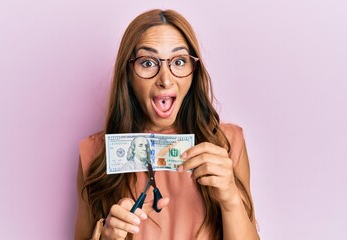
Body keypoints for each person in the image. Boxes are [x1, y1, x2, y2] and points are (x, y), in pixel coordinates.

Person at [75, 9, 260, 240]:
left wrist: (231, 199)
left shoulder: (228, 144)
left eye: (179, 61)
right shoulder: (94, 154)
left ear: (194, 72)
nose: (165, 79)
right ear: (128, 73)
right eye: (148, 63)